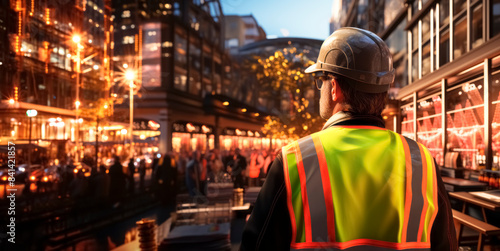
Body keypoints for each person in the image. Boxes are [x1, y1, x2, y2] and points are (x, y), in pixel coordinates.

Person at [240, 27, 457, 251]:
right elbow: (447, 245)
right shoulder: (422, 160)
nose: (320, 87)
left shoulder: (293, 160)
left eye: (320, 79)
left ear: (334, 87)